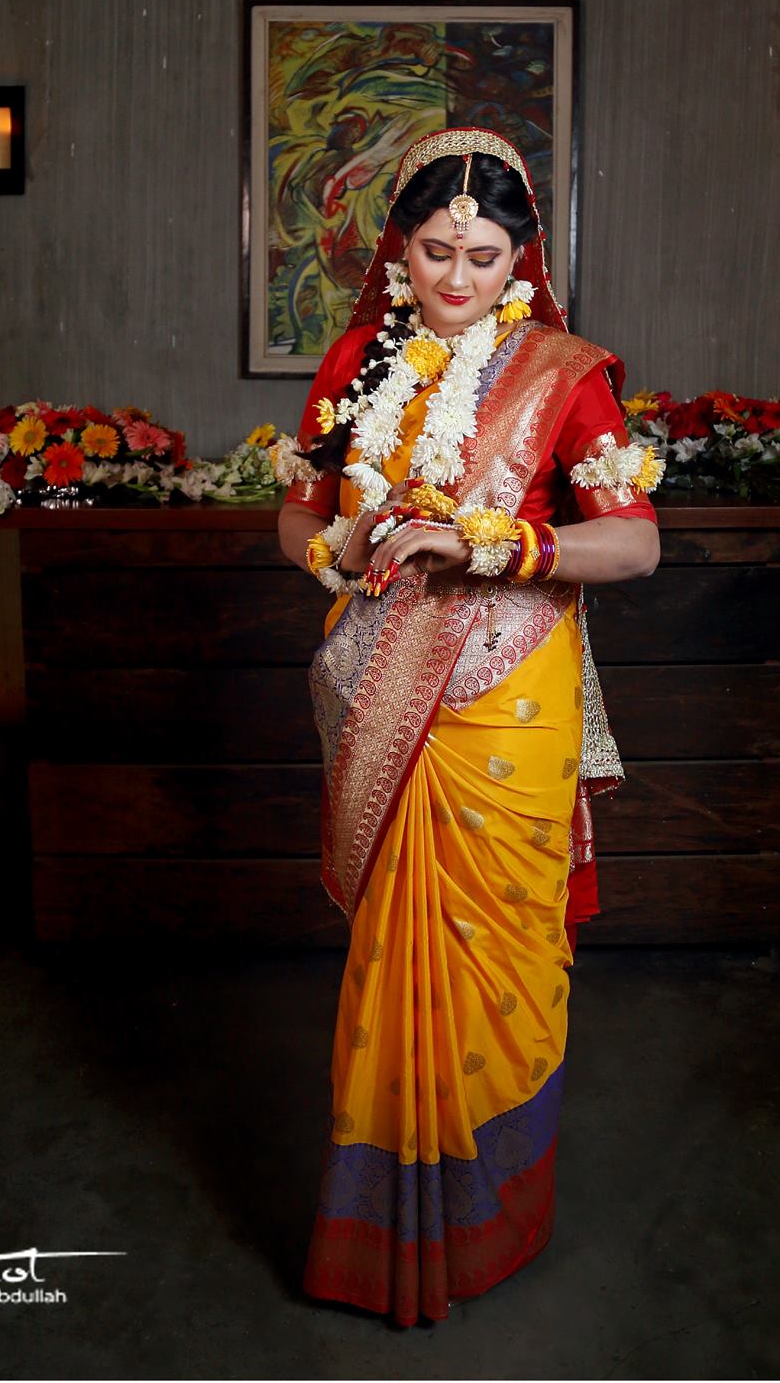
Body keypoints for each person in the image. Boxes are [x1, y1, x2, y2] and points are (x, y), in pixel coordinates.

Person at [275, 124, 662, 1326]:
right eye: (436, 250)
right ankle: (378, 1234)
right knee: (393, 958)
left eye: (484, 255)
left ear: (520, 255)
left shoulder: (565, 373)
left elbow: (634, 543)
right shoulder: (359, 359)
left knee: (499, 960)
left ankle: (492, 1215)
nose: (456, 276)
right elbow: (296, 518)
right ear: (401, 246)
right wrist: (342, 546)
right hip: (383, 686)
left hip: (508, 703)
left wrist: (499, 545)